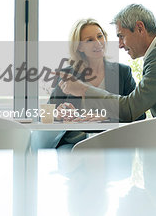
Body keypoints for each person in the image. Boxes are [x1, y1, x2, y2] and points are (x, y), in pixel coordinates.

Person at [58, 4, 156, 122]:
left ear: (140, 28)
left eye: (122, 36)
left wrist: (84, 89)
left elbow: (130, 109)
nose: (120, 44)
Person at [48, 18, 145, 148]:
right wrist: (58, 114)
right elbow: (46, 114)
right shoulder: (68, 75)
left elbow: (139, 115)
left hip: (112, 142)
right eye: (90, 40)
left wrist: (107, 117)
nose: (98, 43)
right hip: (74, 143)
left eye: (100, 36)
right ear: (79, 46)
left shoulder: (122, 72)